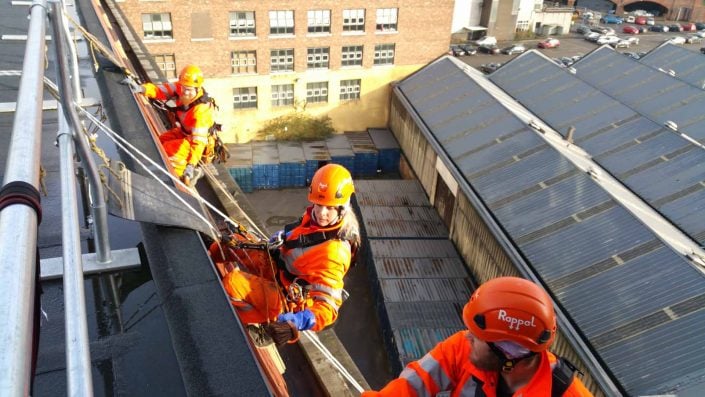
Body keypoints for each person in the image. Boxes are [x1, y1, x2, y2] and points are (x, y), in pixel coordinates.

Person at [363, 277, 593, 396]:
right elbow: (410, 387)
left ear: (508, 352)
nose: (468, 338)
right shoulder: (461, 349)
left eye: (478, 336)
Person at [220, 164, 360, 344]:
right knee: (236, 242)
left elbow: (328, 307)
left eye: (330, 207)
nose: (322, 212)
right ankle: (211, 250)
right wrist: (281, 238)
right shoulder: (314, 219)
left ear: (342, 208)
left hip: (287, 299)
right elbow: (299, 237)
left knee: (233, 283)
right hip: (280, 269)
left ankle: (262, 323)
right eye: (318, 204)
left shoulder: (334, 252)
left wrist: (298, 321)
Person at [123, 65, 214, 183]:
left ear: (198, 88)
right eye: (183, 87)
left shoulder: (201, 111)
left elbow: (198, 142)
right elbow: (159, 90)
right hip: (184, 132)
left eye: (189, 89)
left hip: (195, 142)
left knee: (171, 151)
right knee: (159, 142)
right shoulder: (178, 88)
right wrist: (142, 89)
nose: (185, 92)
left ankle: (178, 180)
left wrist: (191, 166)